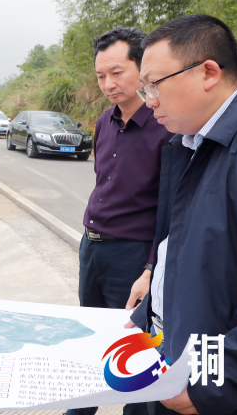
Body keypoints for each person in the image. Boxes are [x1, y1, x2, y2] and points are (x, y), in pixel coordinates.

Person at [132, 14, 237, 414]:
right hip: (178, 359)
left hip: (236, 396)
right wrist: (149, 315)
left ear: (208, 72)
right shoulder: (190, 141)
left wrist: (218, 381)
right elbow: (189, 251)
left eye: (154, 85)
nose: (149, 100)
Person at [69, 28, 171, 415]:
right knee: (91, 341)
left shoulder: (166, 127)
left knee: (136, 352)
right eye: (100, 76)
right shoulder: (103, 121)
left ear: (142, 69)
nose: (108, 84)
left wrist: (150, 270)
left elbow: (170, 210)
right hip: (91, 248)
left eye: (117, 73)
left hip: (132, 257)